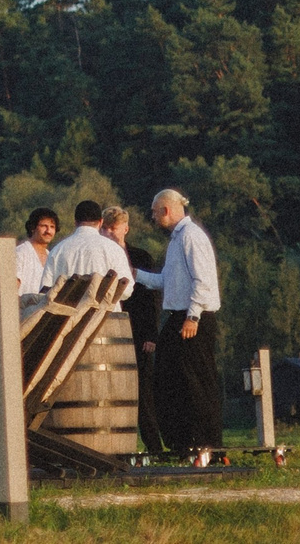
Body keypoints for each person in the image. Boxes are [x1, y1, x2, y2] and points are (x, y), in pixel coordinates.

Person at [134, 188, 222, 459]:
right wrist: (135, 274)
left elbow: (203, 279)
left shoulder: (192, 237)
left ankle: (207, 443)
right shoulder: (176, 240)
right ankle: (183, 442)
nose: (152, 217)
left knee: (196, 381)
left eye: (153, 211)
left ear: (165, 210)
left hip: (193, 318)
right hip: (177, 317)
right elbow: (167, 282)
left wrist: (193, 316)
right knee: (168, 380)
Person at [121, 221, 168, 454]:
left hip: (140, 333)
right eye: (106, 229)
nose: (110, 233)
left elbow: (152, 300)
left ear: (125, 229)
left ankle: (154, 446)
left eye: (114, 228)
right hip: (115, 332)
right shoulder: (101, 255)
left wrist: (152, 334)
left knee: (144, 391)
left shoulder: (140, 257)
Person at [45, 199, 134, 289]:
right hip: (103, 303)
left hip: (64, 303)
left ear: (75, 222)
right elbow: (127, 289)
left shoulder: (57, 250)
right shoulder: (114, 249)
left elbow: (45, 288)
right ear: (101, 222)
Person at [15, 207, 60, 299]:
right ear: (33, 228)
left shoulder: (51, 256)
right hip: (23, 310)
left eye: (52, 227)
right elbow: (12, 288)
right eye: (44, 226)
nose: (48, 231)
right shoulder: (20, 253)